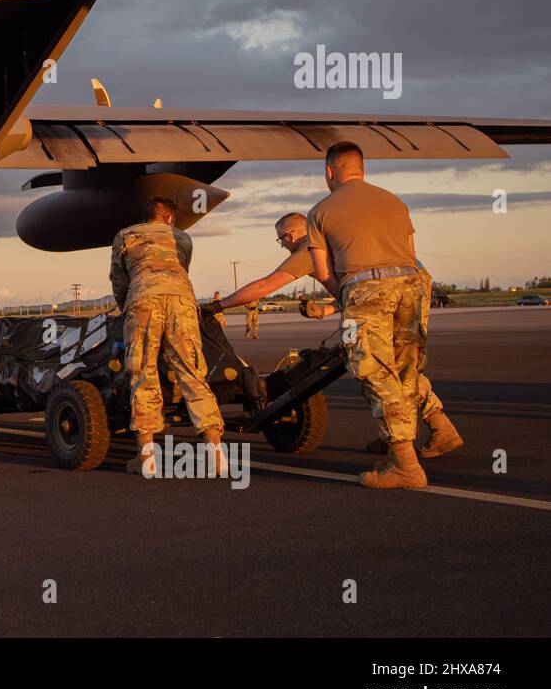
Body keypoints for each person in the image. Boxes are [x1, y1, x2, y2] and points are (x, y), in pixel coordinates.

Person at [202, 210, 455, 456]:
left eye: (281, 239)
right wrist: (325, 311)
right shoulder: (330, 244)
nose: (282, 245)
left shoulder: (308, 249)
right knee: (395, 363)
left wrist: (219, 305)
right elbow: (354, 292)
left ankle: (419, 436)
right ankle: (400, 434)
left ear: (290, 235)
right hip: (407, 280)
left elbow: (267, 284)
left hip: (393, 284)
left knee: (378, 366)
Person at [306, 141, 461, 489]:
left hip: (365, 288)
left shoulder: (320, 211)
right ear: (362, 168)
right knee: (407, 369)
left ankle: (405, 464)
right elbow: (411, 255)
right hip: (412, 284)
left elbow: (323, 271)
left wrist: (348, 298)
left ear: (329, 172)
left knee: (375, 373)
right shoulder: (394, 201)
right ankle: (426, 435)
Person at [111, 197, 226, 475]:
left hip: (142, 300)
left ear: (145, 217)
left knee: (142, 372)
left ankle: (147, 458)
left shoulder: (125, 235)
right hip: (181, 301)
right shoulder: (182, 238)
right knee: (192, 371)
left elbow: (119, 279)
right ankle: (216, 455)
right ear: (170, 218)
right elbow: (181, 269)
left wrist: (127, 306)